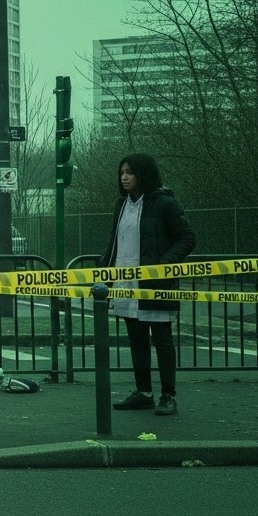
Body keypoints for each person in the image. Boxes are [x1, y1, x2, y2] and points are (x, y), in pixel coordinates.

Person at [102, 153, 196, 417]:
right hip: (125, 281)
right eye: (122, 172)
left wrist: (162, 266)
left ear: (144, 174)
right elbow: (114, 242)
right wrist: (105, 272)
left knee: (162, 338)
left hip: (155, 283)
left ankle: (169, 396)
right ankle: (143, 392)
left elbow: (187, 238)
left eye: (130, 172)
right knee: (136, 339)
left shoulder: (165, 203)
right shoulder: (120, 205)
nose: (124, 177)